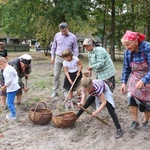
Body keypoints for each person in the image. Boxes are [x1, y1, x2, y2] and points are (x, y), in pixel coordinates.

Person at [120, 30, 150, 129]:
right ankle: (135, 121)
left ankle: (145, 121)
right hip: (135, 77)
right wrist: (123, 82)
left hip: (148, 77)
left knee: (148, 102)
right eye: (125, 45)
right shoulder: (127, 52)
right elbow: (126, 68)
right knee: (131, 98)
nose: (127, 47)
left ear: (136, 42)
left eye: (128, 45)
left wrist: (144, 80)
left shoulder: (147, 48)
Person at [50, 22, 79, 98]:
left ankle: (65, 91)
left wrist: (74, 59)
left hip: (68, 59)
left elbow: (75, 49)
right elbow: (53, 47)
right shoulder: (57, 35)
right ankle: (55, 92)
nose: (63, 33)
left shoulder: (73, 37)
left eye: (64, 31)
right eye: (62, 31)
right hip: (58, 57)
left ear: (67, 28)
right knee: (56, 75)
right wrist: (52, 57)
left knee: (66, 75)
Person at [0, 42, 8, 110]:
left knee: (3, 78)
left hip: (3, 66)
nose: (2, 48)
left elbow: (6, 58)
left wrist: (6, 65)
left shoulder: (5, 51)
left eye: (2, 47)